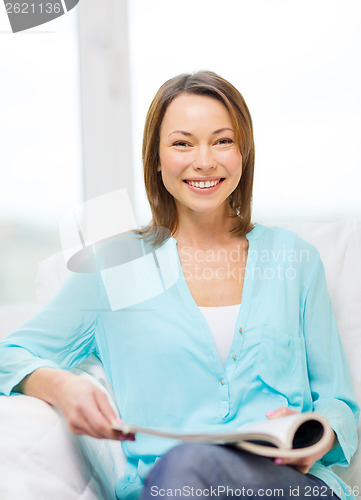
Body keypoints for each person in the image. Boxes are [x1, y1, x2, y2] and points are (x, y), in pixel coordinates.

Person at [0, 71, 358, 500]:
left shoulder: (295, 259)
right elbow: (11, 353)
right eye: (182, 143)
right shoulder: (114, 268)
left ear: (243, 152)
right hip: (170, 487)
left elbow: (339, 403)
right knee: (185, 467)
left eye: (222, 141)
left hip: (290, 487)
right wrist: (60, 384)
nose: (204, 160)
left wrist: (315, 438)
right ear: (156, 157)